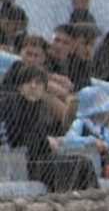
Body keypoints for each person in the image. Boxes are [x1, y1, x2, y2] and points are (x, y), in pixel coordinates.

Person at [0, 64, 99, 193]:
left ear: (44, 89)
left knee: (84, 162)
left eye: (38, 83)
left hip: (40, 159)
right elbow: (18, 139)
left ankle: (90, 198)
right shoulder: (12, 105)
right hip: (24, 163)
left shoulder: (37, 107)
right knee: (80, 164)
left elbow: (48, 136)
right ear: (20, 87)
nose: (33, 86)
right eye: (28, 82)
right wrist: (47, 142)